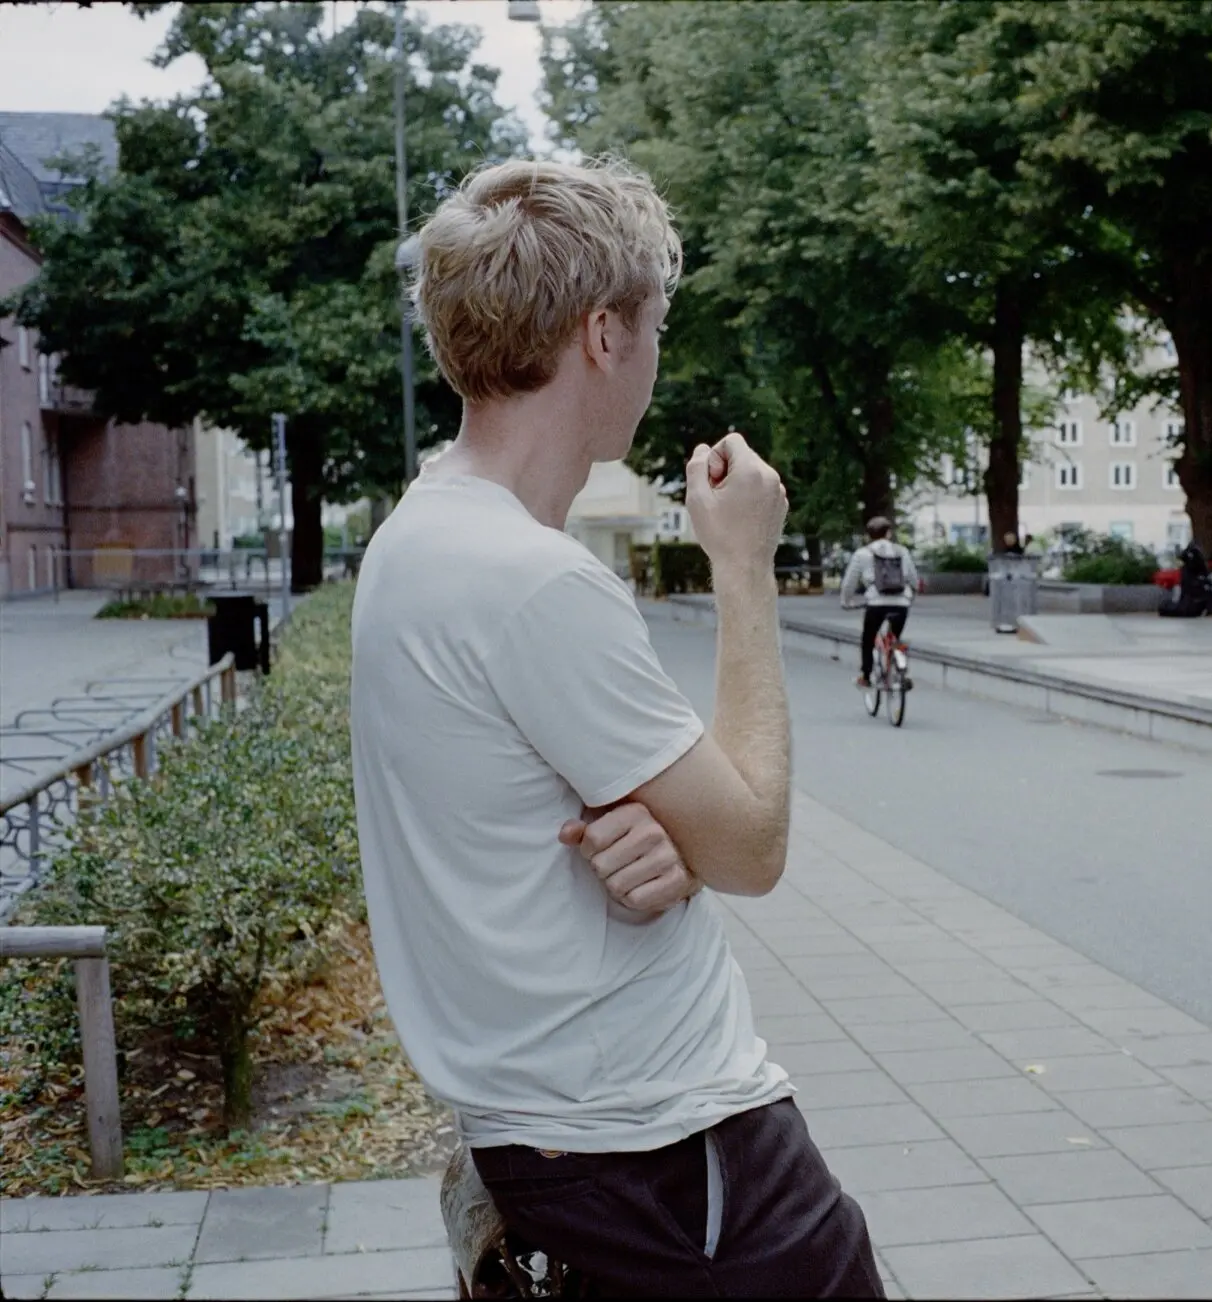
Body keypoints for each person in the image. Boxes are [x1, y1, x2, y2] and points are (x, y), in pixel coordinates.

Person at [349, 158, 881, 1297]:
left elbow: (566, 804)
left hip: (555, 1140)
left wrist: (665, 841)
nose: (653, 355)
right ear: (602, 335)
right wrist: (743, 564)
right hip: (663, 1143)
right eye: (653, 326)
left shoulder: (417, 537)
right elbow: (752, 844)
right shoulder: (533, 580)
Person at [840, 517, 918, 688]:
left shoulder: (862, 553)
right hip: (901, 603)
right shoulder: (902, 551)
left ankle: (866, 676)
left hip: (876, 603)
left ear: (868, 535)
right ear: (889, 533)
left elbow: (849, 583)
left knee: (868, 638)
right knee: (895, 638)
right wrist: (910, 597)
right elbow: (913, 579)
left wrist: (846, 601)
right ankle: (901, 664)